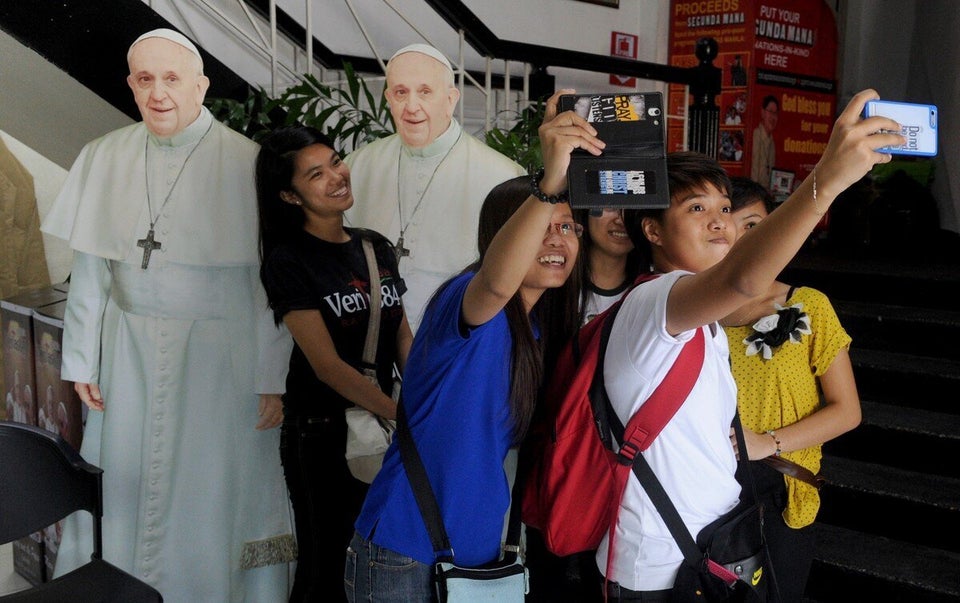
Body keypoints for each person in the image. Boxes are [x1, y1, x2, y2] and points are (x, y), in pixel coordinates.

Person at [597, 89, 902, 601]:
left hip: (708, 550)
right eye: (697, 208)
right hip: (662, 568)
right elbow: (741, 280)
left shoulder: (705, 322)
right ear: (651, 229)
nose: (721, 223)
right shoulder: (657, 300)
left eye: (723, 207)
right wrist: (824, 183)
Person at [40, 28, 294, 602]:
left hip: (220, 362)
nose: (158, 93)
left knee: (209, 492)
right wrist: (82, 359)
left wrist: (270, 379)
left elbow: (269, 290)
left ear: (201, 85)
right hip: (127, 355)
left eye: (172, 79)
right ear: (131, 85)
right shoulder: (104, 156)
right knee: (126, 485)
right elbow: (92, 274)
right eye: (145, 79)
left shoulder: (248, 164)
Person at [344, 89, 598, 602]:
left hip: (476, 557)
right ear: (500, 237)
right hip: (404, 550)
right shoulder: (467, 303)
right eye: (543, 227)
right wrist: (550, 180)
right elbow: (498, 282)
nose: (558, 240)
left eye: (568, 227)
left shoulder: (539, 332)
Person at [255, 125, 414, 602]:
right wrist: (399, 414)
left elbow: (402, 337)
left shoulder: (375, 245)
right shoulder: (287, 260)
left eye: (336, 162)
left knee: (371, 558)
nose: (336, 177)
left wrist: (426, 401)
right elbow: (325, 364)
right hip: (320, 434)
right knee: (325, 565)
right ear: (289, 194)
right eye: (316, 174)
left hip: (379, 426)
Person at [721, 176, 862, 602]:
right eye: (735, 223)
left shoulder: (808, 304)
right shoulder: (694, 308)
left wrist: (768, 442)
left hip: (779, 491)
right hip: (709, 488)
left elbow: (847, 411)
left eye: (759, 225)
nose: (751, 238)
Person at [344, 43, 526, 332]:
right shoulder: (357, 166)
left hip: (455, 339)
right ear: (388, 98)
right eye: (401, 93)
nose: (412, 106)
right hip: (370, 338)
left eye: (425, 92)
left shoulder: (503, 175)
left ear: (451, 99)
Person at [751, 95, 780, 187]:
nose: (773, 117)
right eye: (770, 112)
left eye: (775, 113)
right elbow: (754, 172)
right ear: (762, 113)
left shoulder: (772, 141)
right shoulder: (756, 135)